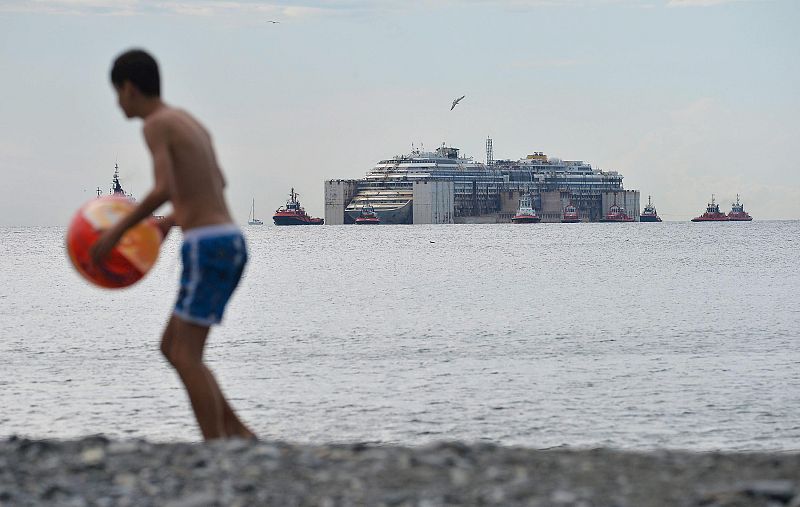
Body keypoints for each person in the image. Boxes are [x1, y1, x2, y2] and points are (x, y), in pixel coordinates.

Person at [91, 49, 256, 440]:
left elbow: (164, 188)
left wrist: (116, 232)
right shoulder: (190, 123)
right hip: (227, 240)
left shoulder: (156, 125)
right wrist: (166, 224)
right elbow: (212, 187)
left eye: (117, 93)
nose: (117, 103)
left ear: (129, 89)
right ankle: (242, 440)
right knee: (172, 347)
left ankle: (216, 449)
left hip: (208, 246)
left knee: (185, 355)